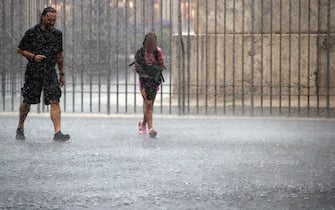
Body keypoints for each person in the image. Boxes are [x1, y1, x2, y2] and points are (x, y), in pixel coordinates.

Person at [15, 7, 70, 141]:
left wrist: (62, 73)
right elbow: (20, 50)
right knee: (27, 100)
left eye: (54, 20)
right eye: (50, 19)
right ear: (43, 17)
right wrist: (33, 56)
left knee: (55, 100)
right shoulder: (32, 33)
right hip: (34, 71)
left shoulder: (57, 34)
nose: (52, 22)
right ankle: (20, 126)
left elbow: (59, 55)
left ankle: (57, 132)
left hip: (50, 71)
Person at [134, 32, 166, 138]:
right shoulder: (140, 53)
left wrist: (158, 64)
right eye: (149, 45)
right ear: (145, 44)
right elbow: (138, 69)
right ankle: (151, 129)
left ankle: (143, 123)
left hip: (154, 81)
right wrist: (146, 73)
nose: (151, 47)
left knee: (150, 105)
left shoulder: (158, 51)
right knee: (147, 103)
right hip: (144, 81)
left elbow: (161, 65)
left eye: (153, 45)